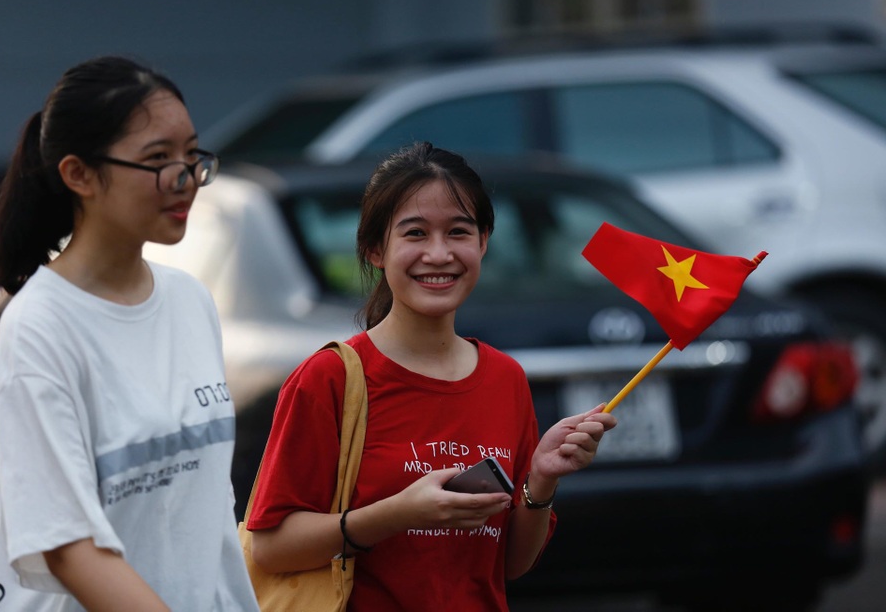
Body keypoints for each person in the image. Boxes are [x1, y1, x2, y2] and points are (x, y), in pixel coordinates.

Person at [245, 141, 618, 610]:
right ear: (376, 249)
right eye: (415, 233)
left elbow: (508, 566)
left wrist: (540, 481)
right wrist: (398, 514)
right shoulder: (331, 377)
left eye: (459, 232)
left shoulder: (505, 378)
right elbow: (271, 547)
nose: (439, 254)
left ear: (483, 242)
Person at [0, 55, 258, 611]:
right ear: (79, 174)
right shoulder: (41, 326)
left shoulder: (189, 300)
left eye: (191, 155)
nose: (185, 178)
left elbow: (203, 517)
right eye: (158, 159)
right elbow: (68, 546)